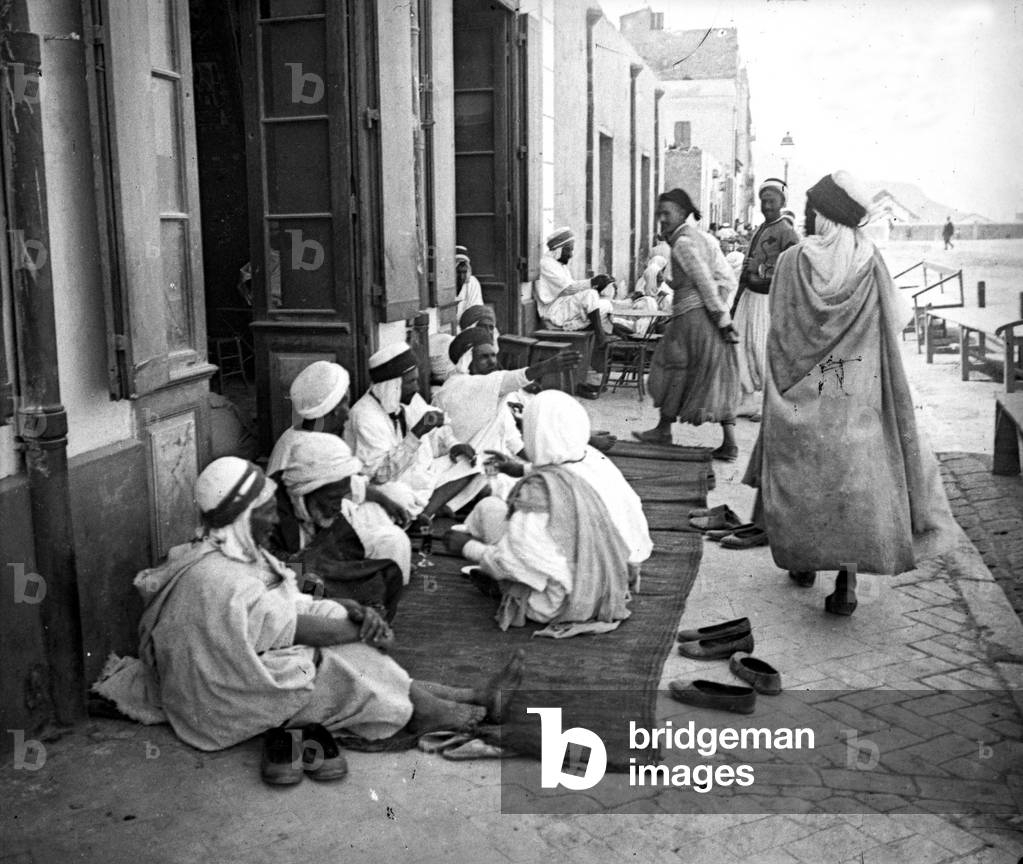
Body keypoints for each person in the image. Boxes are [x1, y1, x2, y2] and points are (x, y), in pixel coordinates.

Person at [126, 456, 525, 762]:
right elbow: (294, 627)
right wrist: (365, 630)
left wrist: (346, 607)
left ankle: (467, 696)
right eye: (266, 510)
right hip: (218, 702)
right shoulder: (221, 579)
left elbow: (289, 605)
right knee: (329, 660)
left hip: (232, 668)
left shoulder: (226, 550)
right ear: (243, 515)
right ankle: (429, 712)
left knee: (337, 626)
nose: (274, 517)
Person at [747, 170, 954, 614]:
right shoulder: (869, 258)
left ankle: (803, 560)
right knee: (850, 485)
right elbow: (894, 321)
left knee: (802, 475)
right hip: (853, 390)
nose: (804, 218)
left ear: (821, 215)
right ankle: (846, 584)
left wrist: (783, 387)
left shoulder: (793, 262)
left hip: (802, 388)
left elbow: (780, 334)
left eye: (808, 211)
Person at [446, 390, 652, 630]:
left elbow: (515, 563)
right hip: (604, 582)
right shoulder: (589, 460)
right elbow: (559, 469)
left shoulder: (538, 494)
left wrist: (468, 548)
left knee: (493, 519)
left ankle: (496, 581)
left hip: (556, 603)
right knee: (496, 513)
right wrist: (518, 469)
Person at [633, 189, 741, 461]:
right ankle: (726, 442)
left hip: (692, 319)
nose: (662, 219)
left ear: (682, 213)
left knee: (673, 368)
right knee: (712, 372)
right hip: (701, 315)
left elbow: (704, 280)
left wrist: (722, 317)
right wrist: (721, 313)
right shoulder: (702, 239)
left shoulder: (683, 242)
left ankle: (664, 430)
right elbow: (723, 277)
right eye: (660, 214)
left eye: (666, 213)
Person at [269, 430, 410, 621]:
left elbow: (345, 552)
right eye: (333, 499)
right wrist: (336, 600)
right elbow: (288, 575)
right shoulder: (269, 514)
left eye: (342, 497)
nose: (338, 506)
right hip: (291, 591)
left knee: (382, 574)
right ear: (307, 490)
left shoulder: (320, 500)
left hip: (318, 571)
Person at [347, 342, 483, 521]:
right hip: (387, 483)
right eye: (411, 382)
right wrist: (416, 434)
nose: (417, 387)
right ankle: (427, 511)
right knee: (397, 495)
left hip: (415, 472)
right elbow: (380, 476)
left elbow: (436, 421)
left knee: (476, 462)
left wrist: (453, 445)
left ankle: (427, 512)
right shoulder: (365, 415)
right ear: (393, 385)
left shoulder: (406, 397)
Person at [433, 329, 580, 484]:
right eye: (484, 357)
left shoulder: (490, 394)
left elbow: (512, 439)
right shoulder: (461, 384)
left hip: (495, 464)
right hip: (465, 468)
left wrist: (540, 463)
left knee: (548, 477)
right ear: (467, 360)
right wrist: (546, 367)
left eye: (493, 355)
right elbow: (508, 379)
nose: (492, 362)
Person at [730, 178, 801, 420]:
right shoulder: (761, 228)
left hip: (767, 301)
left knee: (762, 351)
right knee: (739, 347)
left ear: (782, 202)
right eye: (763, 201)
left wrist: (761, 269)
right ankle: (747, 398)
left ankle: (768, 403)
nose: (767, 205)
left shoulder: (787, 232)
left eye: (772, 201)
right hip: (749, 297)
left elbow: (792, 269)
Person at [536, 227, 615, 348]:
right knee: (591, 295)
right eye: (569, 250)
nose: (571, 255)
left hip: (563, 306)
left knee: (606, 304)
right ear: (559, 249)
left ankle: (574, 325)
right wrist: (592, 282)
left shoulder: (559, 265)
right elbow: (568, 289)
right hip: (553, 311)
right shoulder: (547, 264)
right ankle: (600, 336)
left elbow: (574, 288)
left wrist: (598, 285)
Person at [454, 245, 485, 322]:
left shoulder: (472, 283)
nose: (461, 277)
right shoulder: (446, 285)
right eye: (458, 272)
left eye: (464, 272)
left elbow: (476, 310)